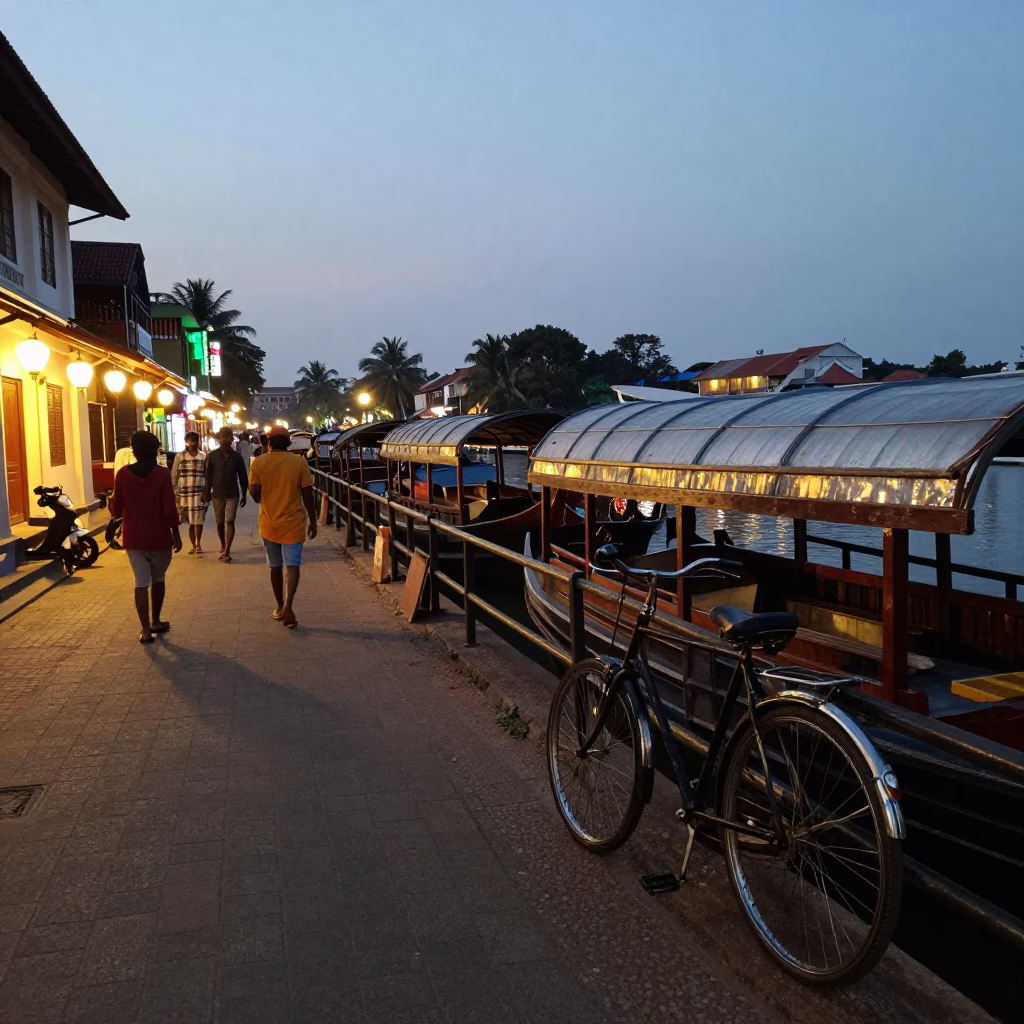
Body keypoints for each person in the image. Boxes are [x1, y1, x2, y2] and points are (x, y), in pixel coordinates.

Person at [107, 431, 183, 643]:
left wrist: (110, 505)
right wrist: (176, 535)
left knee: (141, 582)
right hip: (159, 537)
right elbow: (169, 508)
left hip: (134, 538)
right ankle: (156, 621)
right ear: (156, 450)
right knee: (158, 579)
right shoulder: (162, 474)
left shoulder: (122, 474)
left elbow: (116, 509)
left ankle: (145, 630)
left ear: (134, 451)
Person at [248, 424, 317, 628]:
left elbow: (253, 491)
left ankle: (279, 606)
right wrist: (313, 520)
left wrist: (261, 498)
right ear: (288, 443)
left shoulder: (259, 463)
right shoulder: (298, 462)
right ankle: (289, 604)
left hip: (269, 523)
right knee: (293, 565)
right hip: (294, 522)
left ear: (268, 442)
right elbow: (308, 494)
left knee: (275, 566)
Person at [202, 427, 249, 562]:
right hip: (217, 493)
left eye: (228, 437)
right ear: (219, 439)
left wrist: (244, 494)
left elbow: (243, 476)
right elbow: (208, 475)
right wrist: (206, 492)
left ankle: (227, 550)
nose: (225, 440)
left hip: (232, 493)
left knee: (230, 521)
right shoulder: (212, 455)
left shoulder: (237, 457)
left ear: (232, 439)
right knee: (220, 522)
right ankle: (223, 544)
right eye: (223, 437)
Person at [171, 431, 209, 554]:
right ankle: (194, 545)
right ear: (186, 442)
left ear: (198, 442)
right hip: (184, 494)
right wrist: (175, 492)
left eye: (194, 440)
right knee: (190, 522)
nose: (192, 443)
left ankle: (198, 544)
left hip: (199, 493)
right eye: (190, 441)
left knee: (198, 520)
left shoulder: (204, 456)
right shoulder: (179, 456)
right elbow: (174, 475)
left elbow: (208, 475)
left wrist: (208, 491)